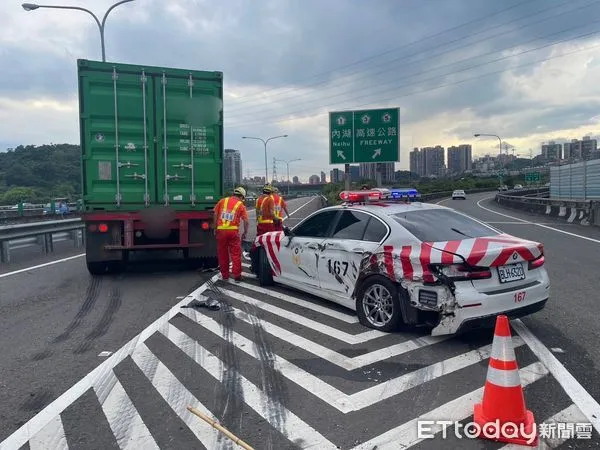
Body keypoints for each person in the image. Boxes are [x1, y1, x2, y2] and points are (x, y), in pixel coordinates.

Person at [212, 187, 249, 282]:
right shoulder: (241, 205)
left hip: (221, 231)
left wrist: (215, 227)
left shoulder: (222, 201)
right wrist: (245, 232)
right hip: (233, 232)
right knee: (236, 254)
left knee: (223, 254)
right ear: (241, 196)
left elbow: (215, 214)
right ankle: (237, 276)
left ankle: (225, 276)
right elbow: (246, 220)